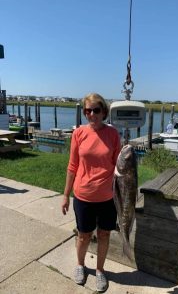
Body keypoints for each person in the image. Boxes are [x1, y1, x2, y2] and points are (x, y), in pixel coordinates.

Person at [61, 93, 121, 292]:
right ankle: (80, 265)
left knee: (104, 235)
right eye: (88, 110)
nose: (92, 114)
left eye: (96, 110)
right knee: (83, 236)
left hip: (107, 197)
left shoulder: (113, 134)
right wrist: (65, 196)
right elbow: (72, 166)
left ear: (104, 111)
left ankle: (100, 270)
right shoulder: (78, 134)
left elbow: (120, 166)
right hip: (83, 195)